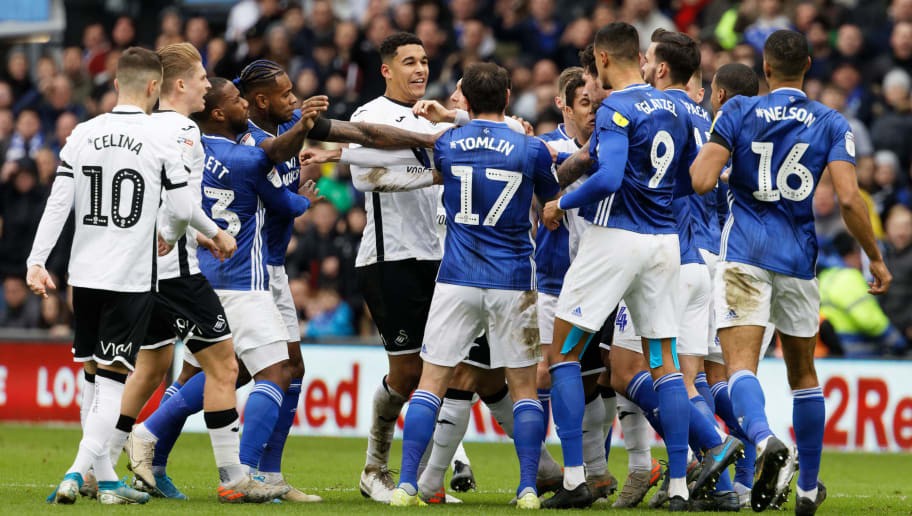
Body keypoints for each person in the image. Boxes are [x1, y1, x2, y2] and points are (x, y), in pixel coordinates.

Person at [690, 30, 891, 515]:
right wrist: (875, 257)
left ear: (764, 65)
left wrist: (729, 165)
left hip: (744, 254)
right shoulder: (830, 120)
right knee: (804, 375)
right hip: (799, 260)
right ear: (808, 64)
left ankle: (763, 440)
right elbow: (848, 199)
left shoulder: (737, 111)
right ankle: (807, 491)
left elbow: (699, 180)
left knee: (740, 366)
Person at [26, 47, 192, 505]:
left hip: (85, 276)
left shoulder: (82, 132)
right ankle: (76, 473)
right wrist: (169, 233)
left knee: (93, 380)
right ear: (155, 88)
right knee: (114, 382)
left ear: (116, 84)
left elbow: (58, 202)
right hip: (130, 277)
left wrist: (36, 261)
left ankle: (109, 481)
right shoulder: (161, 138)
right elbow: (179, 207)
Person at [390, 61, 559, 510]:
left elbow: (444, 169)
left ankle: (408, 485)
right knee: (524, 389)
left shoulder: (447, 143)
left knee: (431, 384)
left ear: (463, 95)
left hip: (457, 278)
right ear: (507, 97)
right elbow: (551, 202)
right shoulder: (531, 147)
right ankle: (526, 488)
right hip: (512, 279)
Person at [540, 22, 695, 510]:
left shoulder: (616, 107)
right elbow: (691, 176)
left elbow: (607, 178)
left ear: (603, 59)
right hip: (664, 241)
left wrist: (560, 203)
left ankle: (572, 480)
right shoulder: (676, 105)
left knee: (563, 354)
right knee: (663, 362)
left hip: (615, 238)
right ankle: (678, 486)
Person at [95, 42, 242, 503]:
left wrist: (189, 229)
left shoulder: (144, 127)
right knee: (225, 367)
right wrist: (213, 233)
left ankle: (100, 465)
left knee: (152, 366)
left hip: (136, 270)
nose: (206, 85)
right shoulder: (184, 130)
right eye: (201, 78)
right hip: (174, 272)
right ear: (179, 84)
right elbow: (178, 204)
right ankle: (234, 478)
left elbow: (161, 200)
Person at [635, 28, 745, 511]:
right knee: (691, 378)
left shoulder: (662, 114)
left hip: (673, 258)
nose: (642, 66)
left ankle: (713, 454)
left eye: (648, 59)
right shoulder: (707, 120)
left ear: (662, 69)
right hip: (706, 260)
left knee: (634, 372)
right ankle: (717, 486)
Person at [819, 231, 907, 357]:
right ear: (852, 254)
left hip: (831, 351)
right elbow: (870, 321)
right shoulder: (849, 276)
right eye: (859, 253)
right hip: (858, 352)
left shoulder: (825, 276)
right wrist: (898, 342)